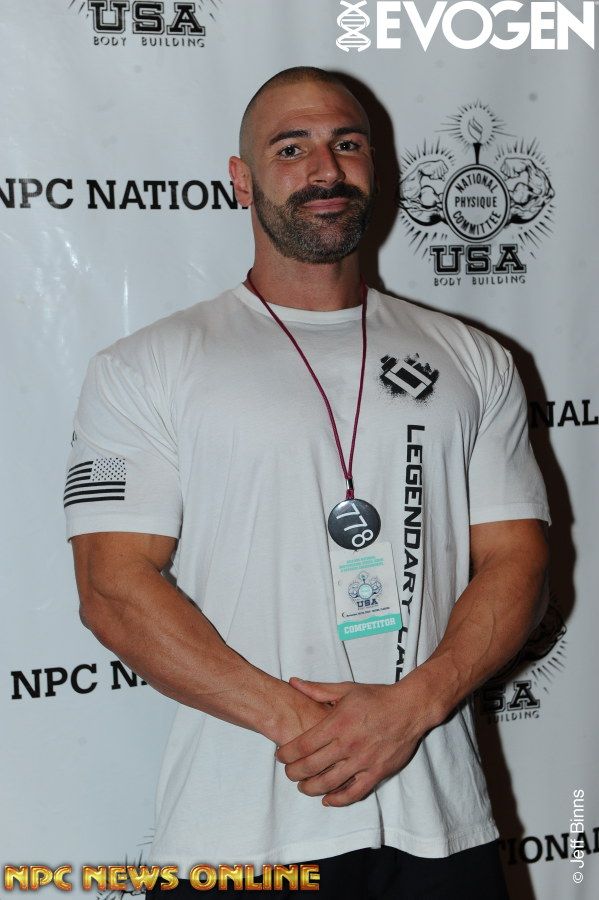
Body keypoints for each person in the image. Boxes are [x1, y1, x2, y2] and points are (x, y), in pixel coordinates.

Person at [64, 67, 550, 898]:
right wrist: (306, 726)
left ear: (374, 167)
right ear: (241, 179)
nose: (325, 169)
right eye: (290, 149)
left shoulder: (472, 359)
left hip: (440, 824)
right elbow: (112, 589)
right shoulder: (146, 366)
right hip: (241, 833)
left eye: (346, 144)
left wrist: (410, 708)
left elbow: (518, 561)